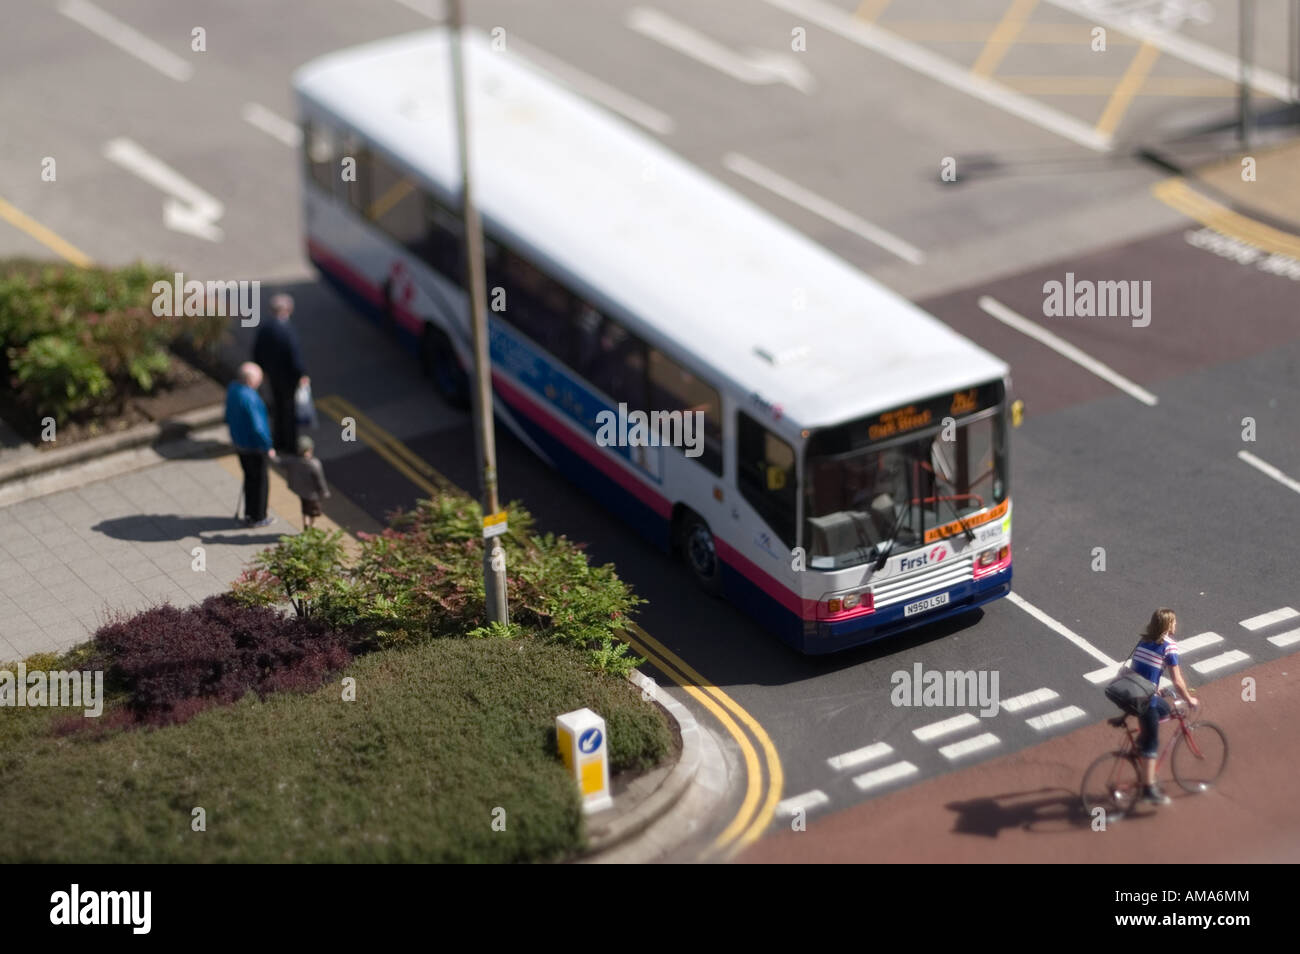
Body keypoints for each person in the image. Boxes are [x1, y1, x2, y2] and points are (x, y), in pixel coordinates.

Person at [1128, 608, 1199, 806]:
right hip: (1145, 699)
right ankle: (1148, 790)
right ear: (1168, 625)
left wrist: (1156, 688)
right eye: (1174, 622)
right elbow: (1177, 680)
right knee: (1152, 743)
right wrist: (1189, 699)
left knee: (1165, 711)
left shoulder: (1144, 641)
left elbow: (1140, 669)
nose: (1176, 625)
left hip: (1133, 693)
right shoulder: (1169, 646)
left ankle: (1141, 743)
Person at [252, 293, 309, 454]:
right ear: (288, 309)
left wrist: (263, 371)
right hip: (288, 379)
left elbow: (256, 352)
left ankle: (278, 441)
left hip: (272, 377)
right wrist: (301, 375)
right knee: (289, 411)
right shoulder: (287, 330)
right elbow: (294, 356)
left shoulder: (265, 328)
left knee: (277, 408)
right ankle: (290, 445)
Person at [225, 362, 276, 527]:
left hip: (239, 443)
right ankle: (258, 516)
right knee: (260, 482)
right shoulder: (251, 399)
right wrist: (268, 447)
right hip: (254, 447)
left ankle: (249, 513)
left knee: (249, 478)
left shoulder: (233, 389)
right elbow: (258, 428)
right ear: (250, 381)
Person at [284, 435, 330, 529]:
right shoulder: (314, 464)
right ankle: (312, 526)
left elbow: (281, 462)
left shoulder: (294, 461)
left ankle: (305, 523)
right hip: (313, 495)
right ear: (310, 449)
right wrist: (325, 491)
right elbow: (320, 480)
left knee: (305, 510)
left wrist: (272, 456)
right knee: (313, 512)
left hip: (302, 492)